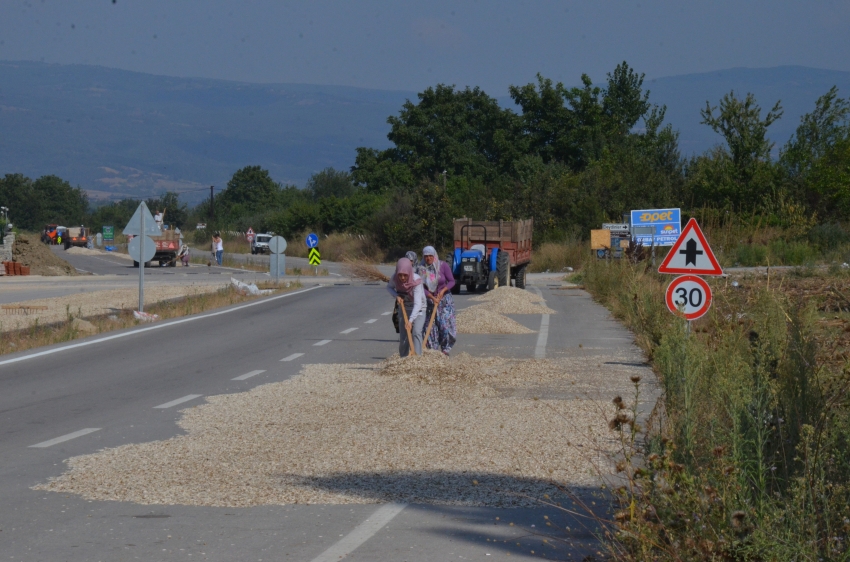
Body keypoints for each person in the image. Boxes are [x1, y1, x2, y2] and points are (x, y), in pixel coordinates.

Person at [420, 246, 457, 355]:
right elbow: (420, 287)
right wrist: (431, 296)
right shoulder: (421, 269)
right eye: (426, 256)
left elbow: (451, 281)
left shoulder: (443, 266)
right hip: (429, 301)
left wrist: (443, 291)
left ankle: (445, 350)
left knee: (445, 326)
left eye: (430, 255)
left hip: (444, 300)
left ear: (434, 255)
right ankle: (433, 352)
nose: (428, 258)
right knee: (430, 328)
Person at [386, 257, 426, 357]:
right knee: (404, 335)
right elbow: (389, 287)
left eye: (405, 275)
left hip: (419, 309)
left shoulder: (416, 280)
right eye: (400, 275)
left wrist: (411, 321)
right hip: (404, 308)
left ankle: (417, 357)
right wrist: (397, 296)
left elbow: (418, 303)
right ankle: (403, 358)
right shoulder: (395, 277)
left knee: (416, 332)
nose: (402, 278)